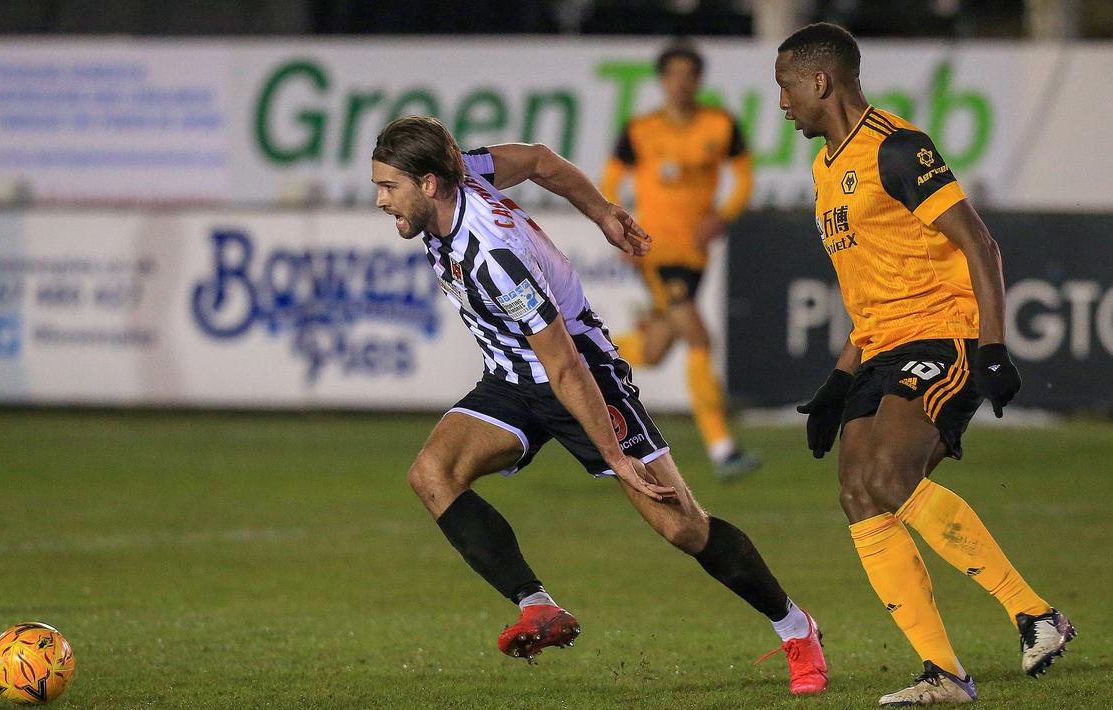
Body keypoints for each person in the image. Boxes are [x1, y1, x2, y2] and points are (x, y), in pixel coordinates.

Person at [371, 115, 828, 695]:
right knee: (433, 474)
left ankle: (796, 628)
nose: (382, 201)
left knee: (681, 526)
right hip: (513, 376)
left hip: (582, 375)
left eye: (389, 187)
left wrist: (617, 459)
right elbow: (539, 160)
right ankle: (537, 607)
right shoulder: (468, 170)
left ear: (429, 183)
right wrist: (605, 213)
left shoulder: (492, 258)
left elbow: (564, 365)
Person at [775, 23, 1076, 706]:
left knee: (887, 474)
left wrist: (992, 347)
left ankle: (1035, 615)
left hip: (944, 336)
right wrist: (838, 379)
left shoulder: (898, 148)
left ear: (819, 81)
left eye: (785, 87)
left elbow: (981, 245)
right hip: (879, 346)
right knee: (857, 492)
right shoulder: (825, 168)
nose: (782, 104)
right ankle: (944, 674)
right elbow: (870, 282)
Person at [600, 41, 759, 481]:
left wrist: (723, 217)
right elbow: (610, 182)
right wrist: (622, 231)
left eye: (688, 74)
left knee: (654, 351)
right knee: (698, 336)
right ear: (662, 80)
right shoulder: (641, 129)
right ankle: (723, 449)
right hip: (655, 251)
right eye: (673, 74)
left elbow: (744, 176)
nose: (680, 83)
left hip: (695, 255)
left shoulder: (720, 123)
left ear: (698, 80)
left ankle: (588, 356)